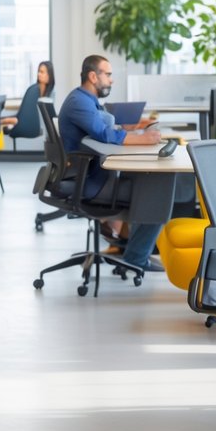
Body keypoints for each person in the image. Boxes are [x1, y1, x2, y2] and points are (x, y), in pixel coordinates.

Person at [58, 54, 164, 272]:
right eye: (108, 74)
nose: (111, 80)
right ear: (92, 76)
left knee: (149, 179)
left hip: (94, 175)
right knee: (157, 192)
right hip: (90, 181)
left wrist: (131, 129)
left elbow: (106, 128)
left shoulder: (87, 101)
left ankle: (128, 251)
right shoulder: (79, 102)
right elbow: (104, 134)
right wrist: (144, 139)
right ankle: (135, 258)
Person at [2, 60, 54, 127]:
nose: (38, 74)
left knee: (12, 120)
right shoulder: (33, 91)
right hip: (27, 119)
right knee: (9, 120)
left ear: (49, 75)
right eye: (38, 71)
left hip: (37, 124)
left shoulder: (52, 92)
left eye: (42, 72)